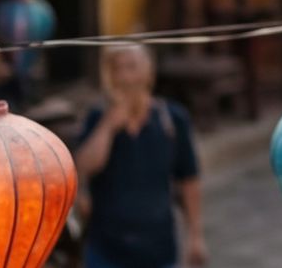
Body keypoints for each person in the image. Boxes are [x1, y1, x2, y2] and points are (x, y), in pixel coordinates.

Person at [71, 44, 208, 268]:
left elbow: (189, 181)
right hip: (106, 250)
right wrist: (109, 127)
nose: (124, 76)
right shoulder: (98, 117)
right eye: (117, 69)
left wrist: (195, 236)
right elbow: (84, 166)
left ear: (148, 72)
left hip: (158, 250)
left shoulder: (172, 119)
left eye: (131, 67)